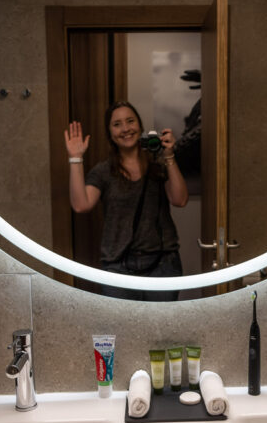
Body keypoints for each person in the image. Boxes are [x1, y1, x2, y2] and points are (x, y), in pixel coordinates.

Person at [64, 101, 188, 301]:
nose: (125, 129)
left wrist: (169, 155)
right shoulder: (103, 172)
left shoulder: (158, 165)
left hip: (162, 264)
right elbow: (81, 204)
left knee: (161, 331)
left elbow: (180, 199)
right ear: (110, 133)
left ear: (139, 126)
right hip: (117, 266)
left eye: (130, 121)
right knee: (123, 331)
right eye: (117, 124)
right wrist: (75, 158)